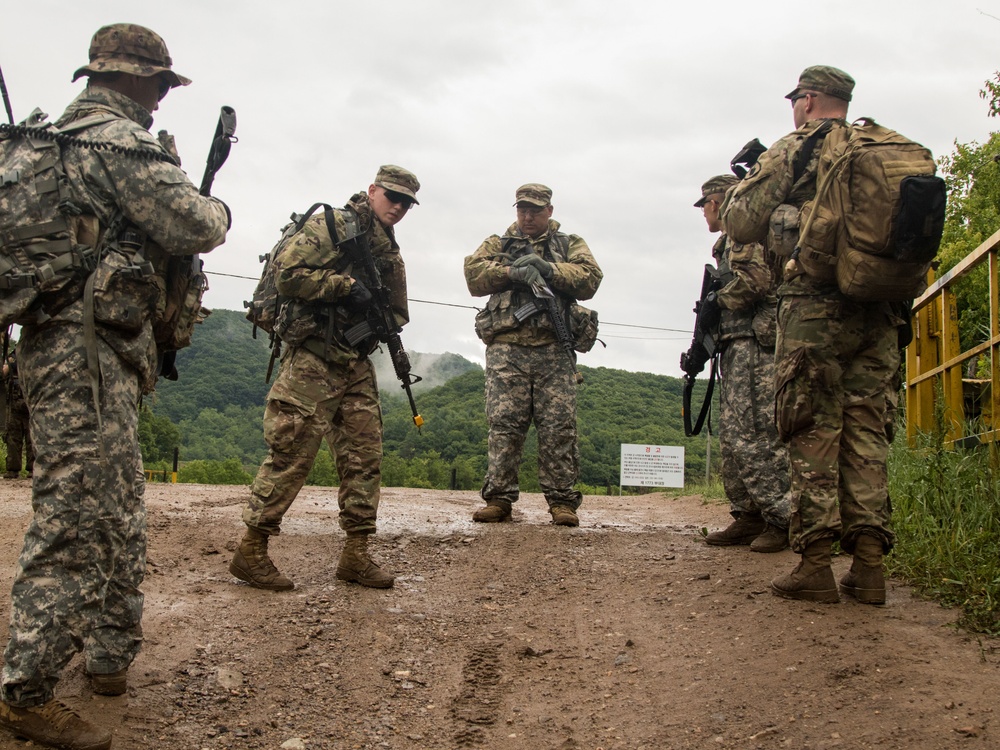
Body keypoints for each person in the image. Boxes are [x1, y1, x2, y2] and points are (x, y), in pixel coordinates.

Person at [0, 23, 229, 750]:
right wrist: (217, 206)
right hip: (87, 352)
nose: (161, 101)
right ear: (131, 80)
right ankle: (25, 690)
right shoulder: (116, 144)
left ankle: (106, 653)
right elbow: (195, 223)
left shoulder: (51, 142)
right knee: (73, 516)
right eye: (159, 85)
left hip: (75, 345)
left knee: (119, 505)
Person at [722, 66, 900, 604]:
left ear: (809, 99)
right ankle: (869, 570)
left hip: (814, 308)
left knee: (811, 430)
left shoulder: (798, 147)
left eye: (796, 98)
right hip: (880, 307)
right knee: (868, 435)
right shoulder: (885, 146)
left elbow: (740, 220)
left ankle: (816, 565)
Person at [230, 165, 420, 592]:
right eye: (392, 195)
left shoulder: (386, 247)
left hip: (354, 361)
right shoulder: (333, 226)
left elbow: (398, 309)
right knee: (292, 452)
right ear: (372, 190)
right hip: (313, 359)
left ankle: (356, 555)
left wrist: (379, 324)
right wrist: (344, 286)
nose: (398, 206)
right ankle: (251, 550)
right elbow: (289, 275)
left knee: (363, 457)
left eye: (407, 201)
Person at [465, 184, 602, 526]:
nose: (527, 216)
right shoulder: (499, 244)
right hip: (507, 349)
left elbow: (590, 278)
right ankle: (498, 498)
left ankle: (562, 501)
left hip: (554, 348)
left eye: (535, 210)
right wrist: (513, 272)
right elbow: (474, 276)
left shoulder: (569, 244)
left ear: (550, 211)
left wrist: (549, 269)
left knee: (559, 428)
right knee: (504, 426)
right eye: (522, 209)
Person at [695, 175, 790, 553]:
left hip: (755, 344)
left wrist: (719, 300)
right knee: (734, 439)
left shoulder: (745, 236)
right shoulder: (728, 242)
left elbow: (755, 282)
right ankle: (749, 515)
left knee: (755, 434)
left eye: (704, 205)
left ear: (717, 203)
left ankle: (781, 518)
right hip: (736, 344)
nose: (703, 213)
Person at [2, 343, 33, 480]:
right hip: (15, 403)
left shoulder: (34, 354)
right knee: (13, 438)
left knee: (32, 438)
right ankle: (13, 470)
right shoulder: (12, 357)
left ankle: (33, 469)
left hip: (31, 405)